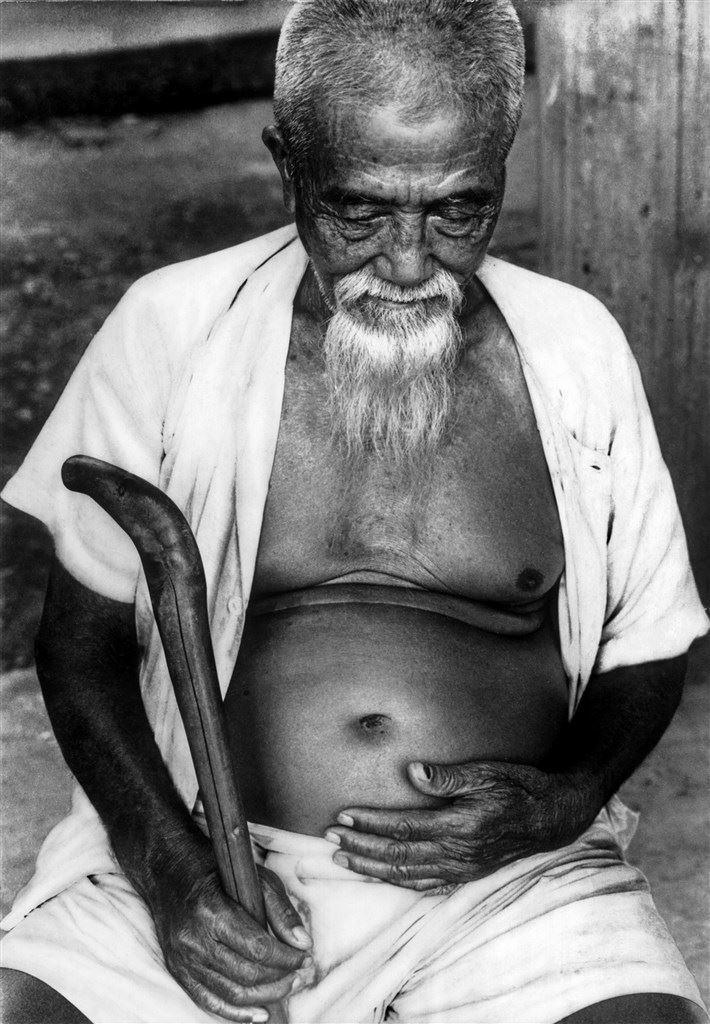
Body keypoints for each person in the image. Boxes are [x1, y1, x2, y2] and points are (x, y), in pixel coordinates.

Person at [1, 1, 708, 1022]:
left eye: (458, 210)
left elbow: (649, 643)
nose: (410, 262)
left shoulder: (572, 348)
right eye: (360, 211)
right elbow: (80, 650)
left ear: (503, 166)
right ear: (287, 167)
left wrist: (567, 797)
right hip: (209, 859)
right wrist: (172, 872)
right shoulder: (171, 328)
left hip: (507, 896)